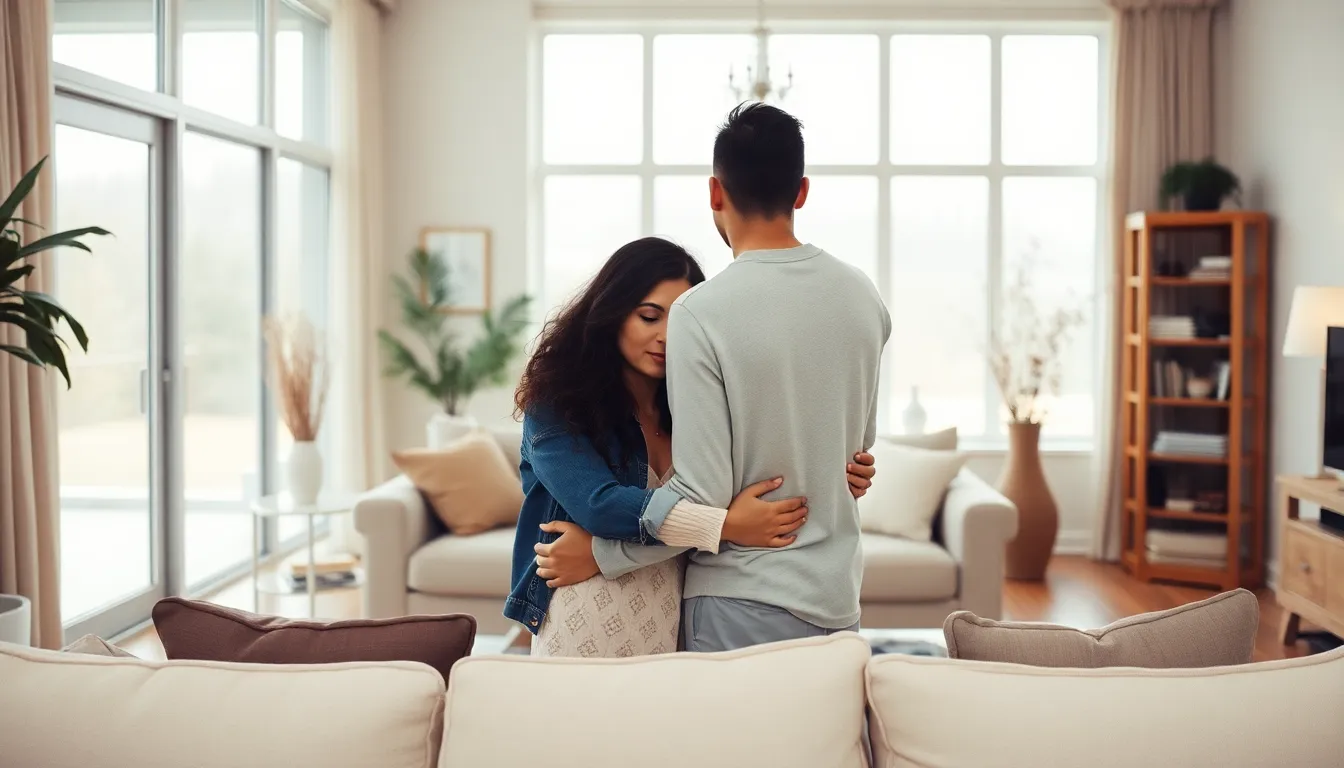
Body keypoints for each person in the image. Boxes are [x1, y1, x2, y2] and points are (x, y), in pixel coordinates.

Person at [539, 102, 891, 653]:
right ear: (801, 192)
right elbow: (856, 456)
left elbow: (699, 495)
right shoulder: (863, 297)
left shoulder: (702, 312)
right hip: (839, 600)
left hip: (738, 601)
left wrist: (605, 554)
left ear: (715, 193)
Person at [506, 236, 877, 658]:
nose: (666, 336)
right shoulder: (557, 406)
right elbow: (600, 507)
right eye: (649, 317)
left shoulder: (691, 408)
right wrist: (725, 525)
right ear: (611, 314)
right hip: (584, 618)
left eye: (679, 320)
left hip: (669, 623)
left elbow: (766, 463)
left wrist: (840, 467)